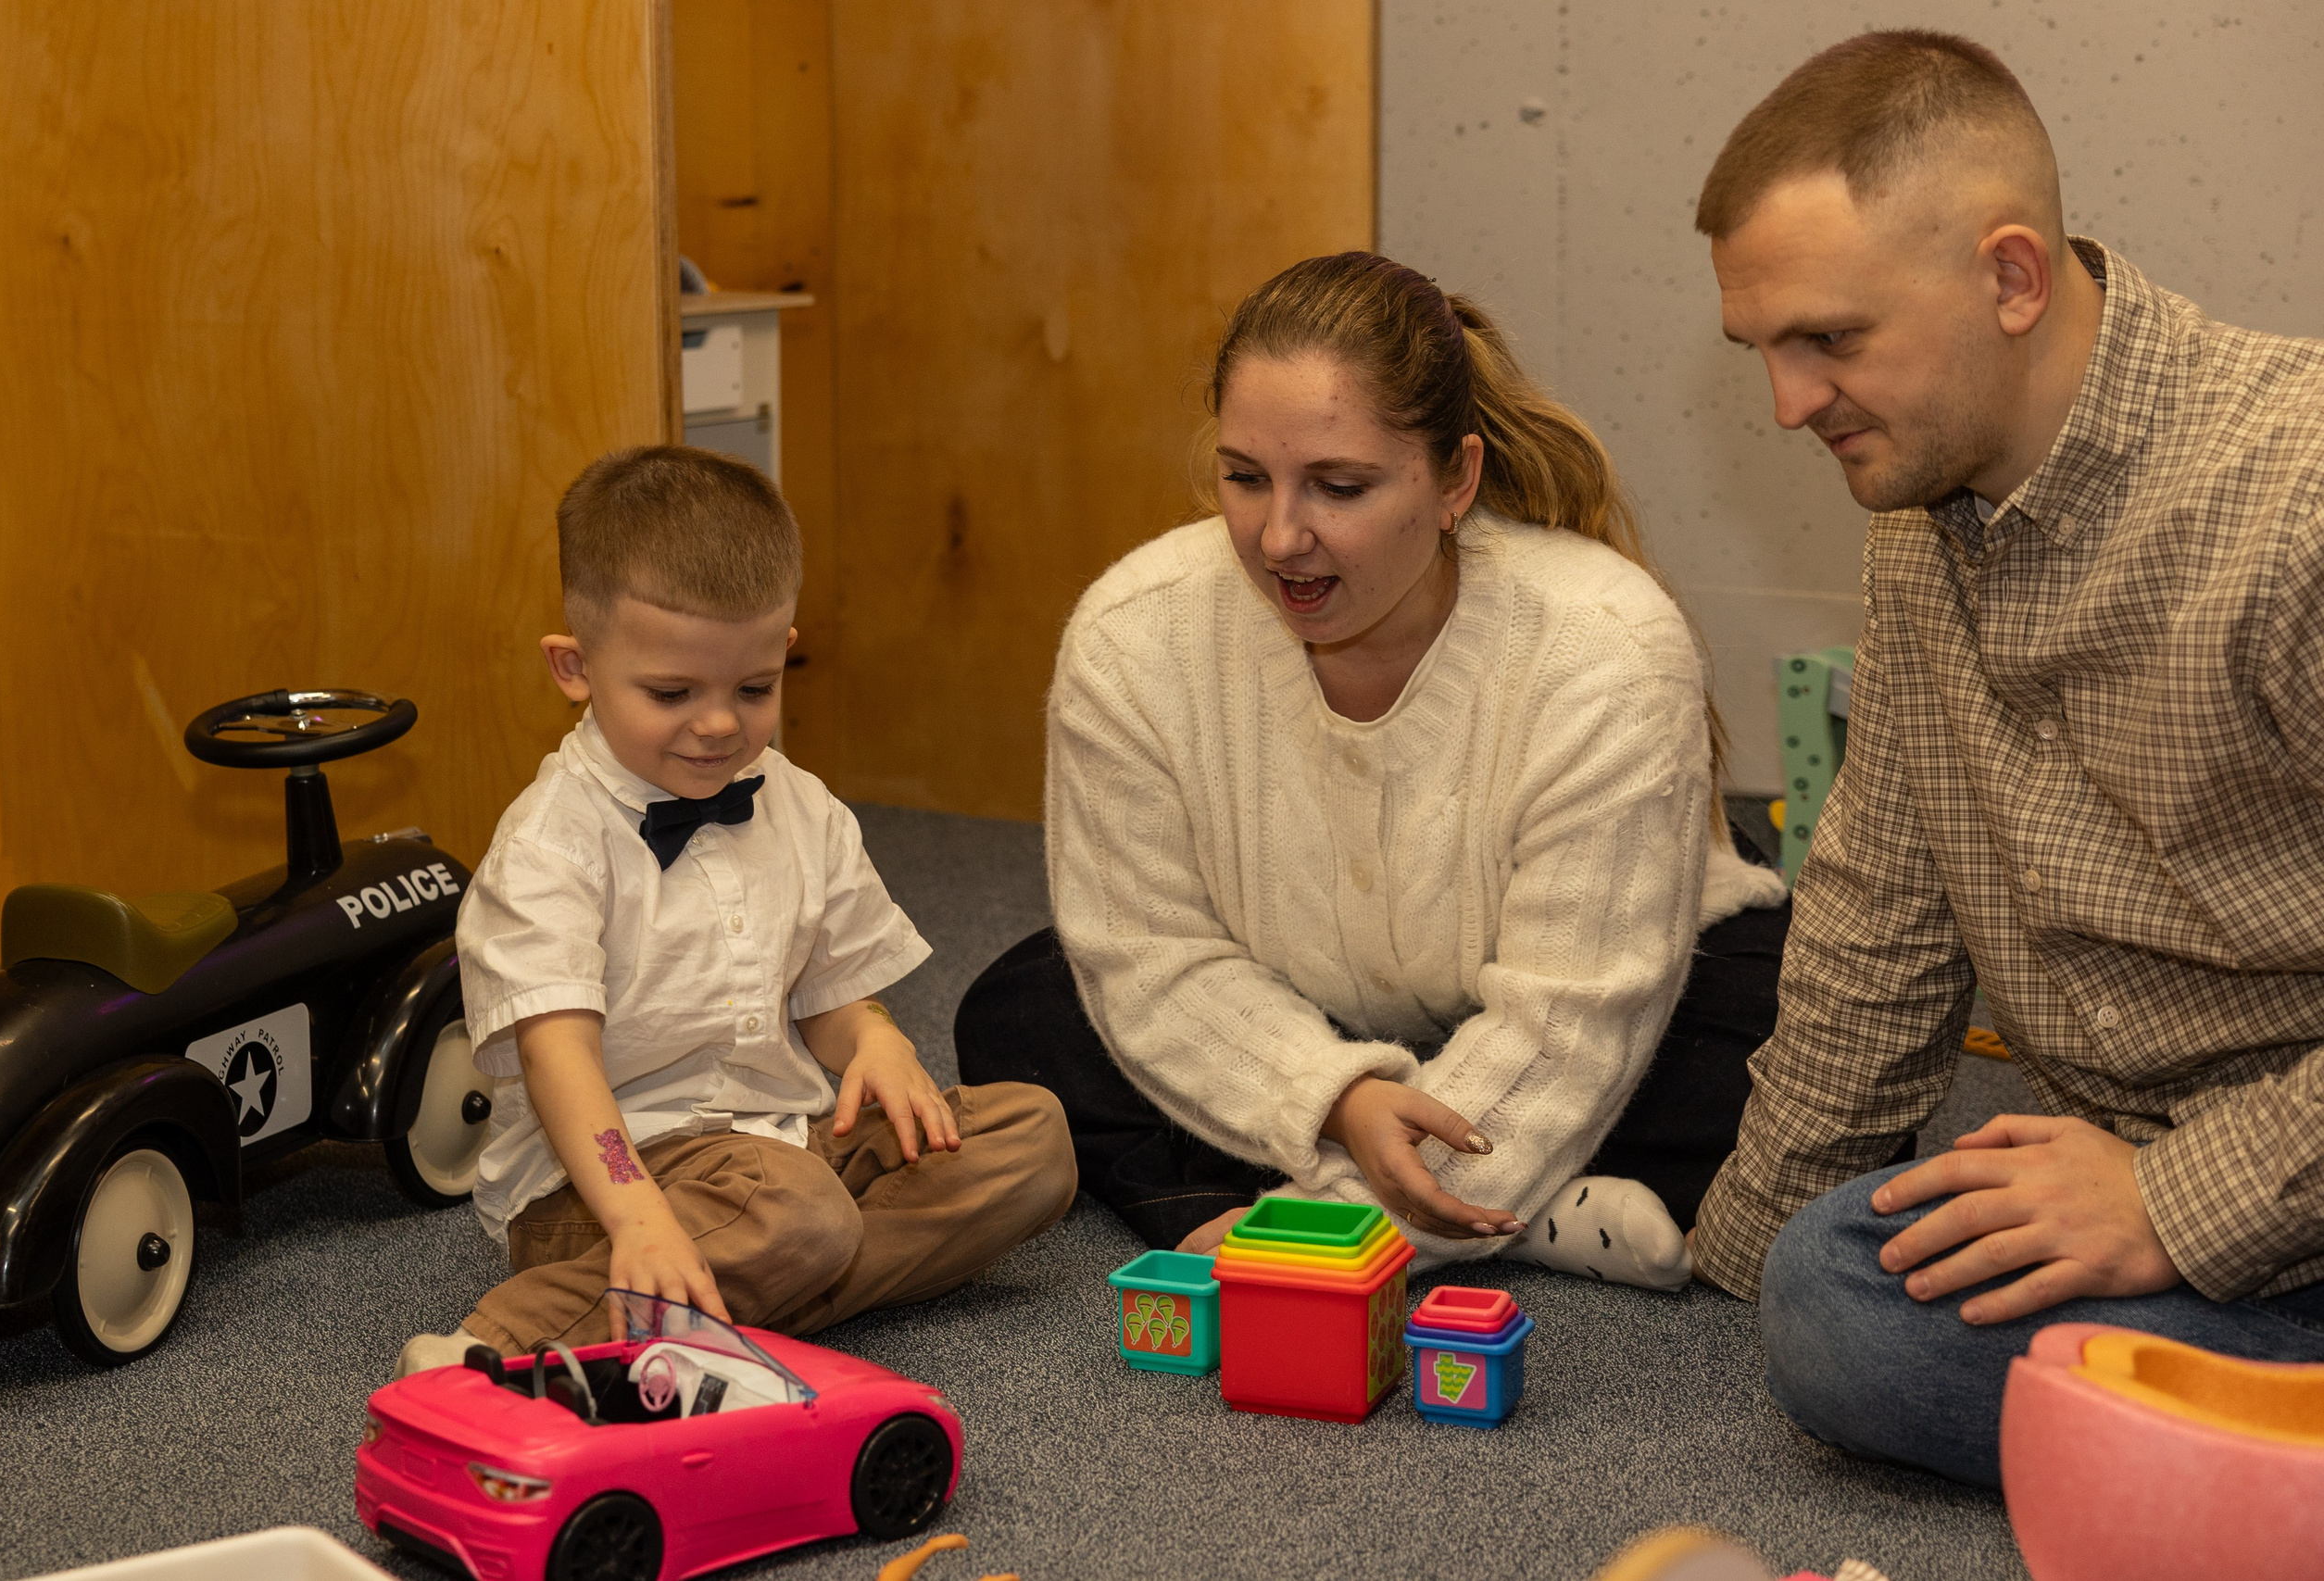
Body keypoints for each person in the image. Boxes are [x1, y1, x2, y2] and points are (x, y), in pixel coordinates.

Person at [1687, 31, 2324, 1487]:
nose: (1788, 404)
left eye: (1830, 341)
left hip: (2246, 1175)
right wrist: (1742, 1251)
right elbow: (1877, 919)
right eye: (1764, 353)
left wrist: (2174, 1197)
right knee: (1831, 1291)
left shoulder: (2299, 498)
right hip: (2151, 1191)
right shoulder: (1921, 513)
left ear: (2013, 279)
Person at [956, 253, 1789, 1287]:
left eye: (1339, 488)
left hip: (1571, 961)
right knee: (1019, 1013)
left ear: (1455, 482)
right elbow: (1147, 953)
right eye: (1244, 477)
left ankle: (1310, 1203)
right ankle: (1521, 1210)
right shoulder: (1132, 633)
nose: (1279, 537)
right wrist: (1332, 1095)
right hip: (1299, 991)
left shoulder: (1606, 645)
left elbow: (1569, 1019)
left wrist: (1313, 1248)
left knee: (1792, 1056)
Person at [396, 445, 1074, 1373]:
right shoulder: (549, 845)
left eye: (753, 688)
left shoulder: (798, 804)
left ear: (785, 653)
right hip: (598, 1187)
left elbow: (829, 995)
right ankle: (500, 1347)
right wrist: (636, 1214)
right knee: (792, 1211)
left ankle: (742, 1309)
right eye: (672, 693)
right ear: (574, 667)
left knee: (1030, 1141)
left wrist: (876, 1043)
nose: (720, 723)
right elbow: (559, 1059)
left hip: (785, 1146)